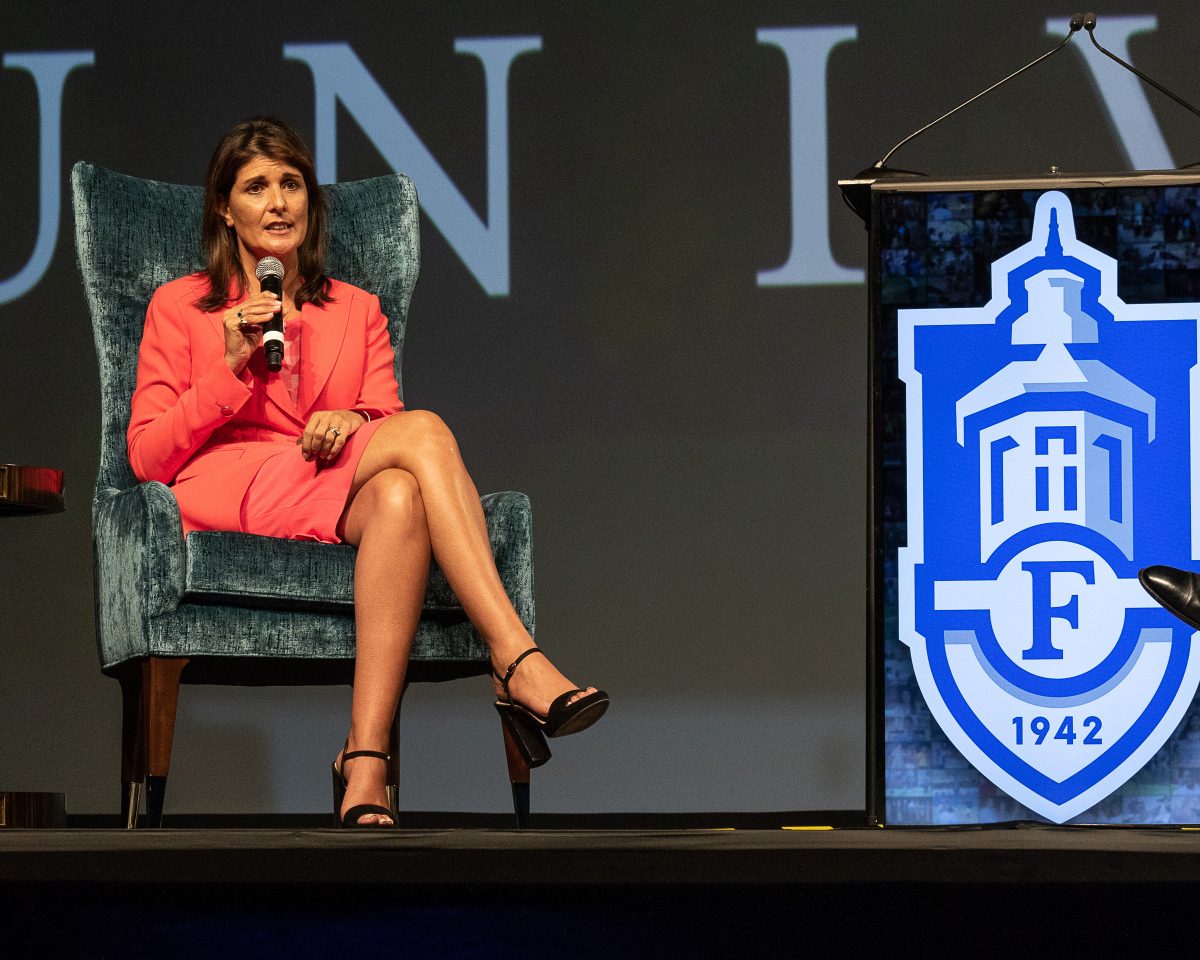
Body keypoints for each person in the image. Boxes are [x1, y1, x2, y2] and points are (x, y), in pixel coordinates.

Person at [127, 117, 608, 827]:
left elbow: (381, 413)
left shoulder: (356, 310)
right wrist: (228, 370)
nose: (279, 202)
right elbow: (147, 457)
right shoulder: (182, 305)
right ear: (224, 209)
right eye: (257, 187)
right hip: (225, 484)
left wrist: (352, 422)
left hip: (319, 482)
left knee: (399, 496)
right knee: (425, 433)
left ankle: (364, 760)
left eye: (292, 184)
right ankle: (513, 658)